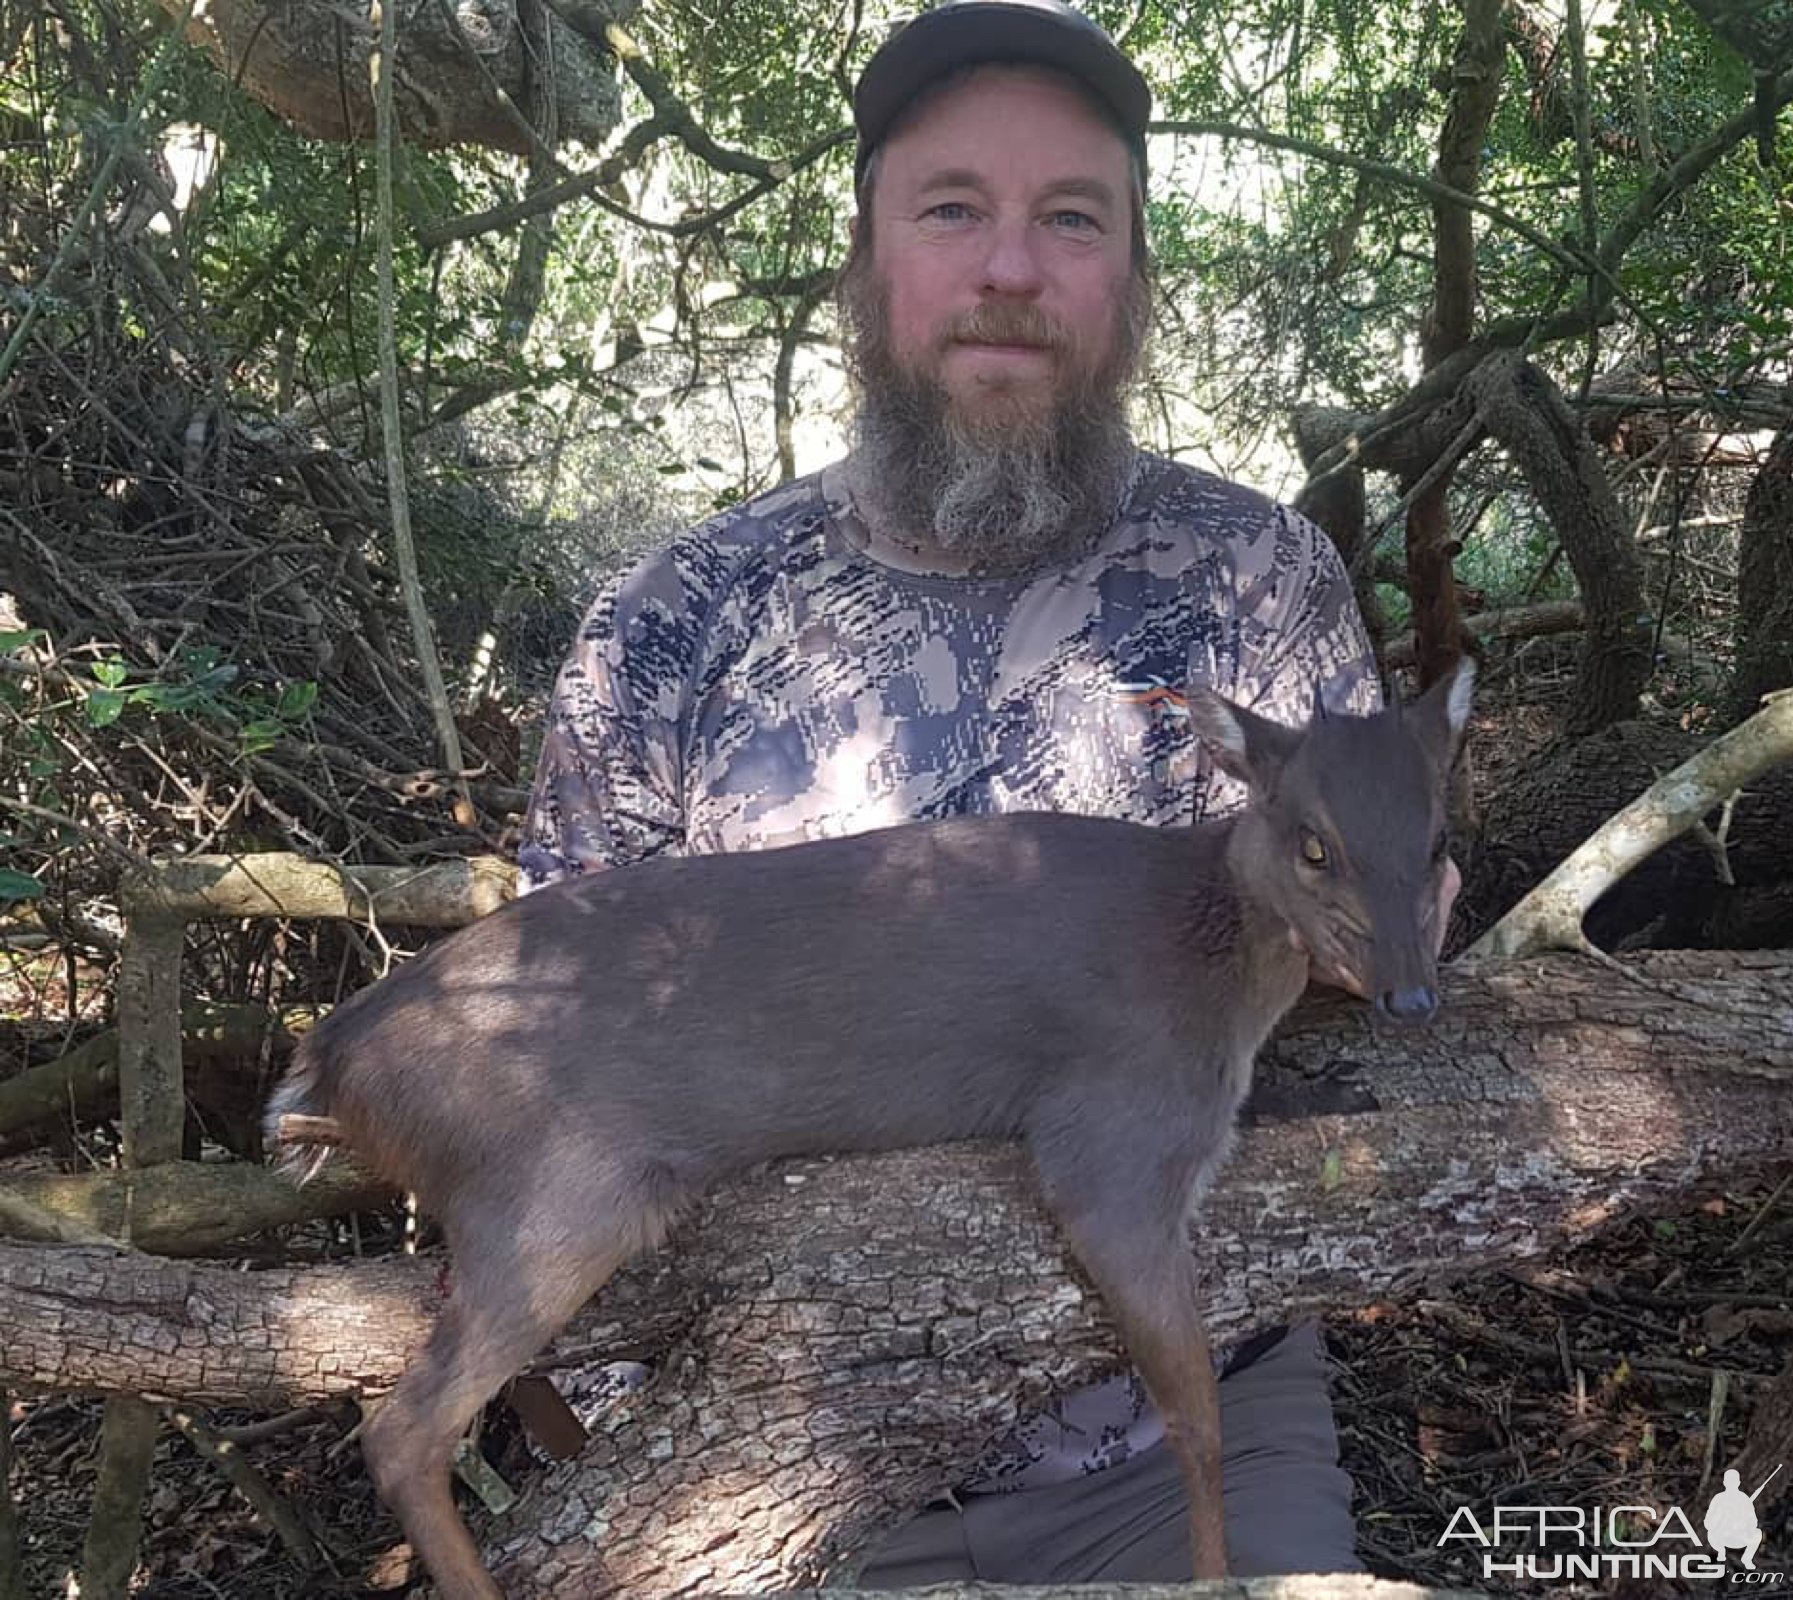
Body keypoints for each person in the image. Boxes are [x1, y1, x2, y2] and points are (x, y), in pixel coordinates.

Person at [522, 0, 1450, 1579]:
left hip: (1172, 1443)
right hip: (783, 1456)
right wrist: (622, 1444)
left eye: (1070, 218)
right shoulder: (673, 626)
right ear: (866, 271)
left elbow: (1372, 954)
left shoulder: (1254, 583)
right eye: (952, 208)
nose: (1009, 269)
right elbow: (561, 1067)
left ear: (1134, 285)